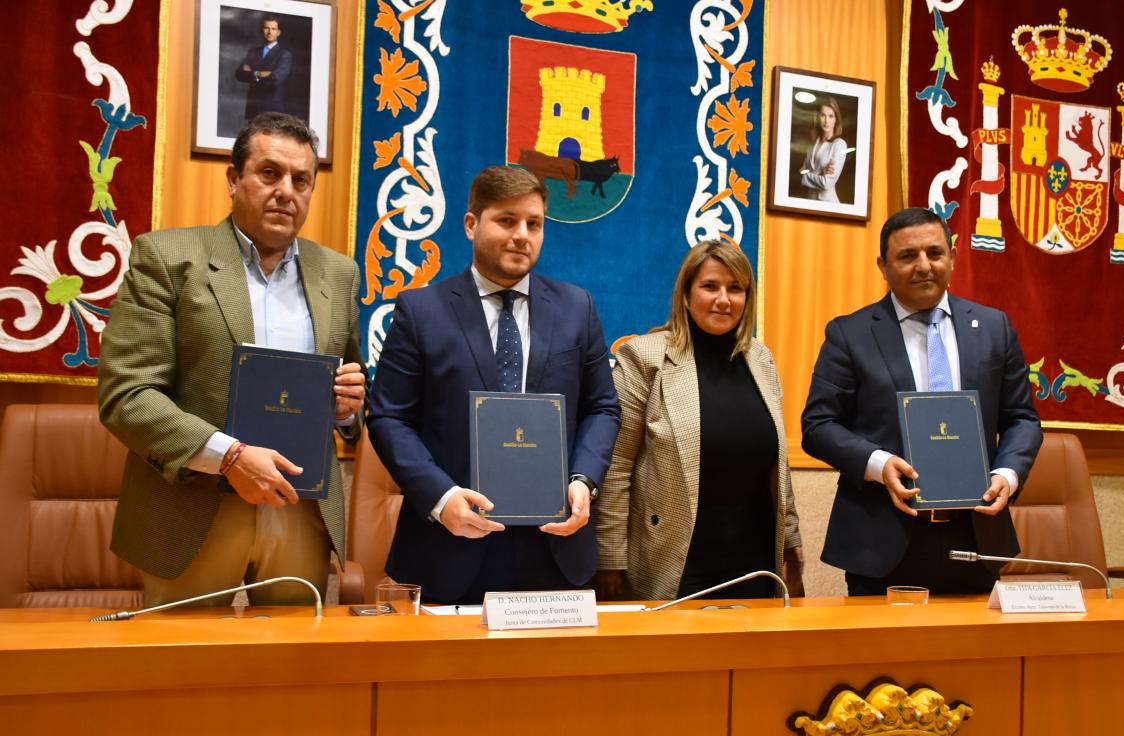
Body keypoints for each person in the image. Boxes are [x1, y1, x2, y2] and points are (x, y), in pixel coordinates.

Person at [98, 112, 365, 607]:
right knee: (184, 672)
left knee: (290, 674)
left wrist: (348, 409)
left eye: (301, 180)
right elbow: (127, 396)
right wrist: (233, 458)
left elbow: (347, 389)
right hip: (194, 508)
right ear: (233, 179)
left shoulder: (339, 273)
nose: (287, 191)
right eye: (269, 173)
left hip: (300, 510)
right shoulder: (167, 257)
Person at [367, 165, 621, 605]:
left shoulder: (577, 308)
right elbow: (389, 417)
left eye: (534, 224)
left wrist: (584, 481)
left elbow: (602, 407)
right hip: (449, 545)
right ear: (471, 224)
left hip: (555, 546)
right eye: (507, 220)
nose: (523, 234)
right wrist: (440, 497)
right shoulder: (420, 311)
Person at [800, 207, 1042, 596]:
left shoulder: (994, 328)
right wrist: (878, 464)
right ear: (883, 265)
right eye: (907, 256)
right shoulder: (850, 333)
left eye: (935, 252)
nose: (924, 266)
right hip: (881, 540)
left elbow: (1022, 419)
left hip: (975, 535)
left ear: (953, 257)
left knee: (976, 657)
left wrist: (1007, 475)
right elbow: (818, 426)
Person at [594, 240, 804, 602]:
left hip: (754, 561)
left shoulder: (761, 360)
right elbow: (616, 469)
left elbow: (778, 467)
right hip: (674, 559)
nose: (724, 299)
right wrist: (610, 558)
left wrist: (790, 542)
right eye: (710, 286)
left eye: (735, 288)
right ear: (687, 295)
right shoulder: (644, 357)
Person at [235, 15, 293, 122]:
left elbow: (275, 79)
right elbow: (239, 74)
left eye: (273, 29)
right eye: (266, 28)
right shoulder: (253, 52)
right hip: (253, 109)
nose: (269, 32)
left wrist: (252, 72)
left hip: (272, 110)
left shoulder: (284, 54)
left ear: (278, 32)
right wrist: (259, 73)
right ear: (262, 30)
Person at [799, 96, 848, 203]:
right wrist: (820, 174)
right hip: (810, 201)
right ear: (817, 117)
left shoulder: (839, 145)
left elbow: (826, 183)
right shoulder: (813, 144)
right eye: (823, 115)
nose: (826, 121)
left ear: (836, 120)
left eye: (831, 116)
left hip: (828, 204)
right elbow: (801, 173)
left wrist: (807, 176)